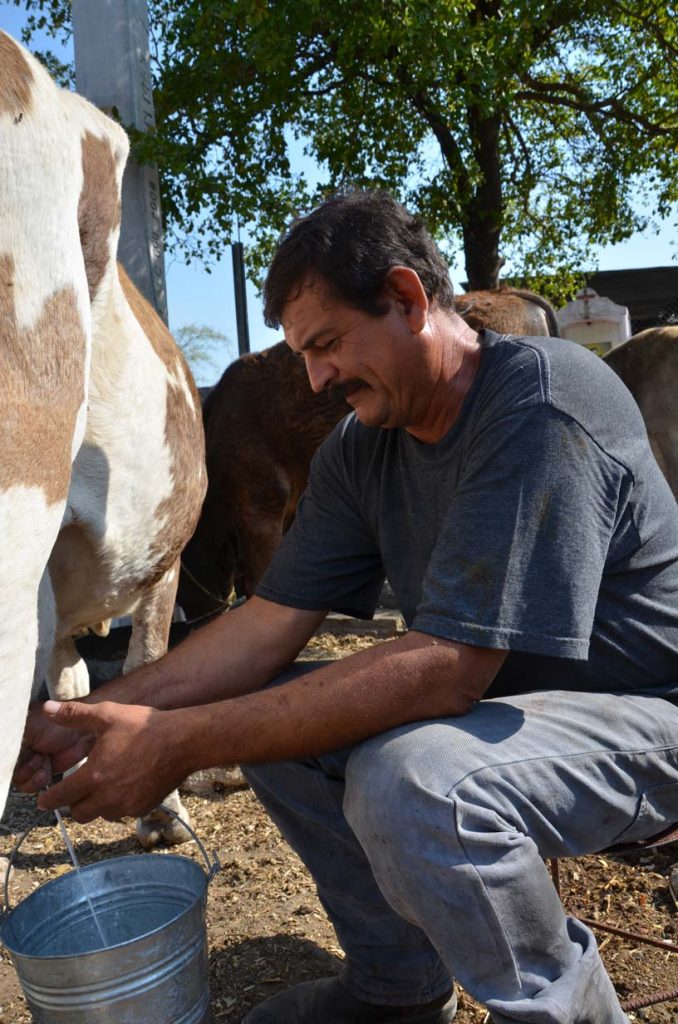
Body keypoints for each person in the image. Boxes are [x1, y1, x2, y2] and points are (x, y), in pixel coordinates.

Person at [15, 190, 678, 1024]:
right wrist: (90, 715)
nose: (316, 377)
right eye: (302, 353)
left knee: (413, 783)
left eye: (327, 343)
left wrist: (176, 743)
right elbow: (263, 628)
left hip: (646, 718)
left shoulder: (539, 402)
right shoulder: (366, 448)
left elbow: (448, 671)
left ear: (406, 299)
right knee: (269, 714)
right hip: (514, 715)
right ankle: (398, 990)